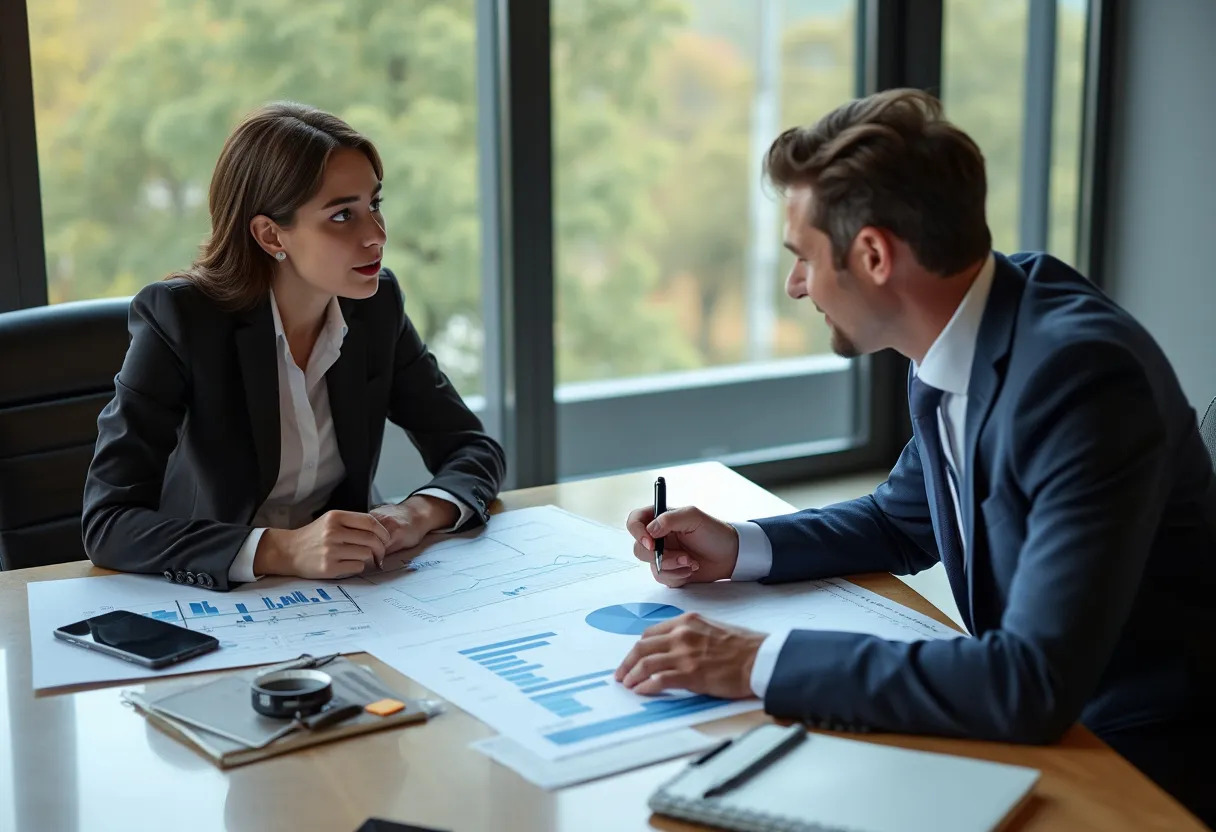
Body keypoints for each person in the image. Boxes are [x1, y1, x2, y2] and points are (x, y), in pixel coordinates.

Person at [615, 89, 1216, 823]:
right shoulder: (965, 327)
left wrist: (751, 662)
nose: (795, 285)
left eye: (803, 256)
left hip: (1134, 762)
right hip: (1046, 727)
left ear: (872, 255)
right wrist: (737, 545)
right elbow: (904, 521)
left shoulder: (1082, 381)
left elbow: (1027, 683)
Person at [83, 102, 505, 592]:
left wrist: (418, 512)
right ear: (270, 234)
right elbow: (108, 522)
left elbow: (472, 447)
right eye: (342, 215)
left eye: (374, 205)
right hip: (215, 594)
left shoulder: (374, 306)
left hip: (348, 592)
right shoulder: (182, 320)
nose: (376, 236)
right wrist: (282, 549)